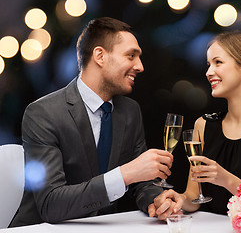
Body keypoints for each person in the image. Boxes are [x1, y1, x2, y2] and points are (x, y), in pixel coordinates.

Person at [10, 17, 182, 227]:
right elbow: (50, 204)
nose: (140, 66)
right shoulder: (43, 113)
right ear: (100, 56)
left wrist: (156, 199)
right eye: (131, 56)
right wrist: (124, 174)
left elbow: (141, 182)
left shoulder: (130, 111)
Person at [151, 31, 241, 215]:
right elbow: (194, 197)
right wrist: (177, 200)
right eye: (208, 64)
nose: (209, 72)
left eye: (218, 62)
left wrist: (225, 179)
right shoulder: (203, 125)